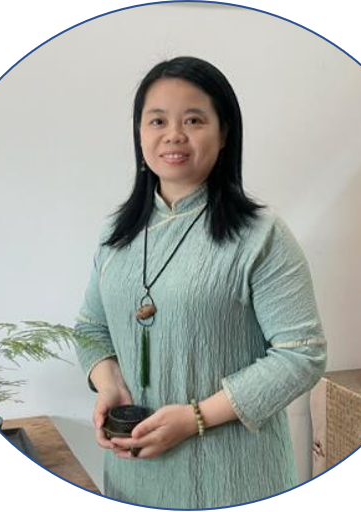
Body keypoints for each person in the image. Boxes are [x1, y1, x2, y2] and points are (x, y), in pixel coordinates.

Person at [74, 56, 327, 508]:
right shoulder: (116, 233)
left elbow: (302, 354)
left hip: (234, 478)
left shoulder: (261, 234)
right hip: (134, 473)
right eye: (157, 120)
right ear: (139, 133)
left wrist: (196, 418)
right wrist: (108, 384)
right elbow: (91, 329)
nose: (174, 134)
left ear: (224, 133)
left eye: (193, 120)